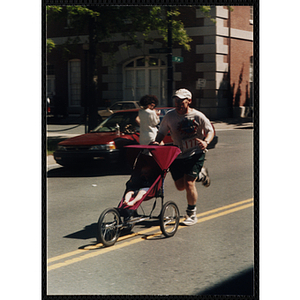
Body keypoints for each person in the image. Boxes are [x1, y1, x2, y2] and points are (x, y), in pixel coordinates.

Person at [152, 88, 214, 226]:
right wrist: (157, 141)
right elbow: (162, 131)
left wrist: (205, 142)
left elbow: (210, 131)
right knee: (180, 186)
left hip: (195, 152)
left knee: (189, 183)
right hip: (178, 154)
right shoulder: (169, 116)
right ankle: (201, 175)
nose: (178, 103)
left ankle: (191, 214)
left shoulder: (198, 116)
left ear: (189, 101)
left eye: (181, 101)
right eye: (176, 100)